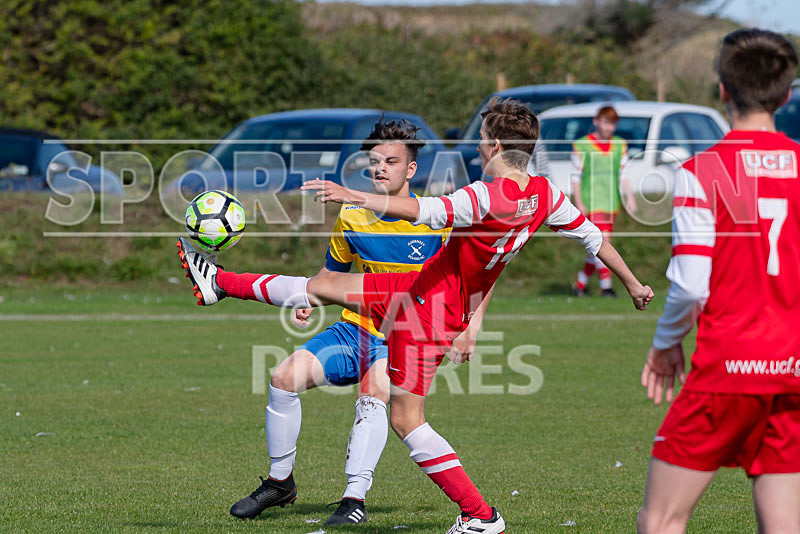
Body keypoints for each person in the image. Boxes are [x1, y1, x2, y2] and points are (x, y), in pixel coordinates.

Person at [178, 97, 653, 533]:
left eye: (483, 138)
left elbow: (424, 209)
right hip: (422, 295)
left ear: (498, 145)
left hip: (424, 312)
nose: (479, 146)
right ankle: (217, 283)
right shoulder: (545, 195)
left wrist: (359, 196)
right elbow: (595, 239)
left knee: (409, 420)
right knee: (326, 286)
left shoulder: (486, 196)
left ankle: (481, 515)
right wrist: (634, 284)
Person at [223, 119, 469, 525]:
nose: (380, 169)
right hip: (354, 330)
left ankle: (354, 499)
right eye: (374, 161)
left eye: (391, 161)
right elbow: (331, 275)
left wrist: (465, 327)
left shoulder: (436, 220)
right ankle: (279, 483)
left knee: (373, 395)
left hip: (402, 338)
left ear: (411, 170)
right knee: (283, 378)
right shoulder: (352, 218)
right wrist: (308, 300)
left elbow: (458, 283)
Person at [638, 28, 800, 534]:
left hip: (729, 365)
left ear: (723, 90)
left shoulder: (702, 171)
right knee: (784, 522)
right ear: (786, 93)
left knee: (662, 518)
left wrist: (666, 344)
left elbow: (690, 284)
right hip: (794, 365)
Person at [570, 105, 637, 297]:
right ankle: (606, 286)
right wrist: (579, 201)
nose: (609, 128)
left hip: (611, 203)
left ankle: (580, 284)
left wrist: (629, 197)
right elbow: (575, 176)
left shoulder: (620, 145)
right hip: (591, 201)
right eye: (606, 122)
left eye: (613, 124)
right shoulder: (582, 145)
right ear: (596, 121)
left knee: (597, 246)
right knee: (602, 242)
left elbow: (623, 174)